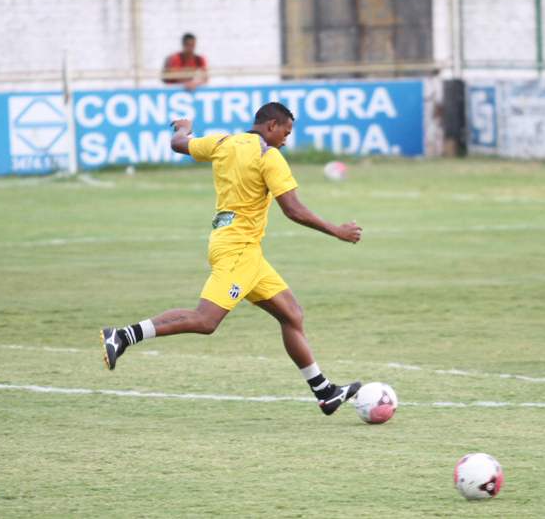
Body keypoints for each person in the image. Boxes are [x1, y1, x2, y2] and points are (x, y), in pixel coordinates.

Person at [100, 102, 363, 416]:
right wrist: (336, 230)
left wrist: (185, 126)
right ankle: (122, 336)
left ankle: (325, 393)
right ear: (272, 125)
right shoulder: (269, 156)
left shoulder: (223, 142)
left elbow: (178, 143)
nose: (285, 140)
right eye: (286, 132)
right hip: (239, 251)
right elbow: (292, 209)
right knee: (206, 320)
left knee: (292, 314)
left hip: (236, 247)